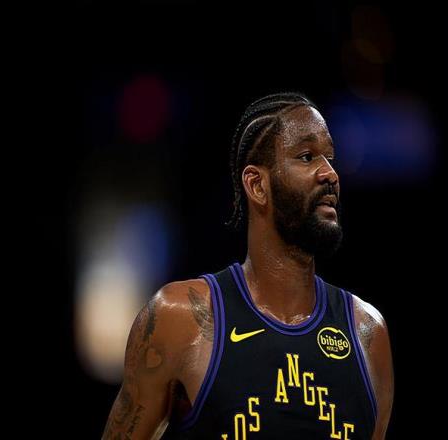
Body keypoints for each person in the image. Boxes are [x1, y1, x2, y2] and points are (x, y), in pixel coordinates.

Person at [101, 92, 394, 439]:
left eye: (330, 158)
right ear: (257, 185)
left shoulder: (368, 333)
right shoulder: (180, 319)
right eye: (306, 156)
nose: (330, 173)